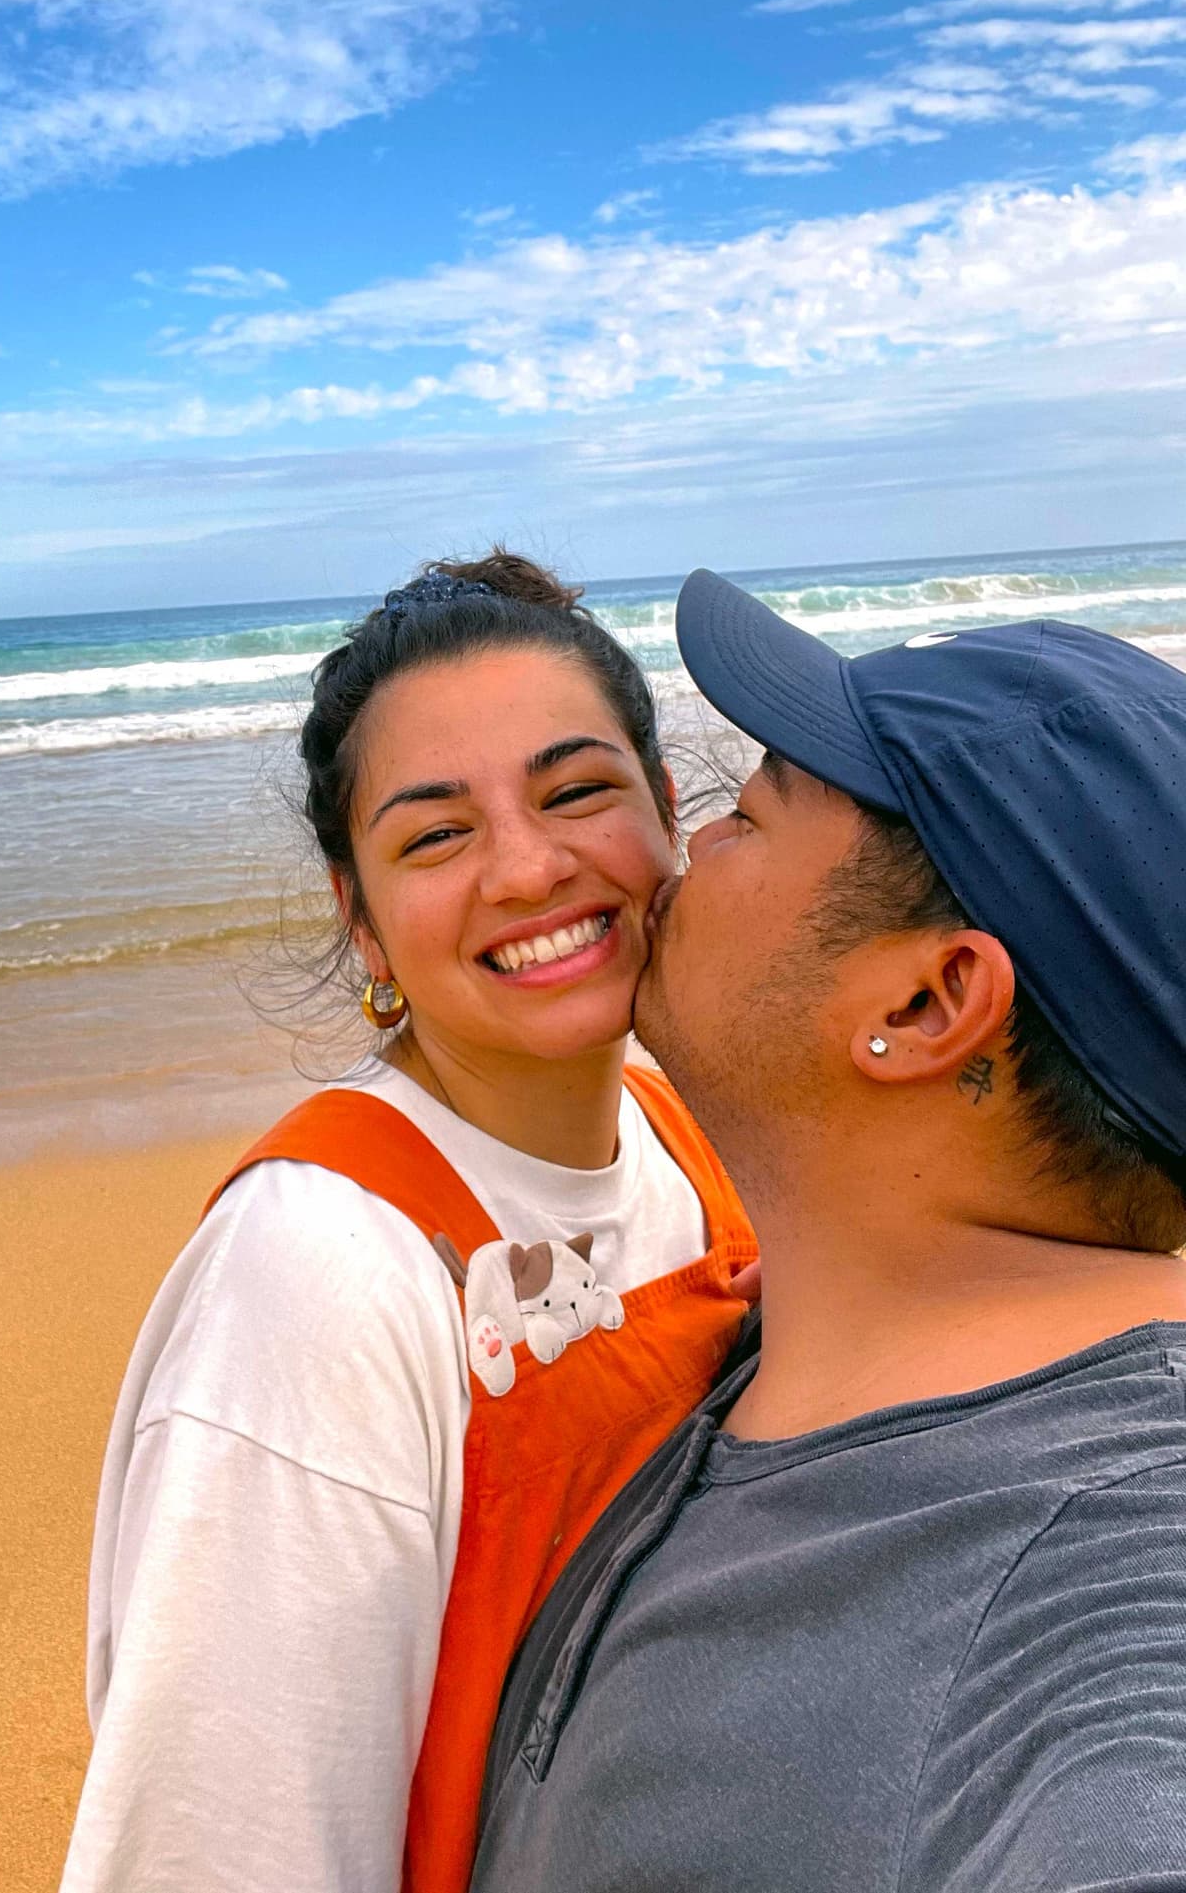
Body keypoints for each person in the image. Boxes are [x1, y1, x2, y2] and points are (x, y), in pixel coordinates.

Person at [468, 574, 1186, 1891]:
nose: (683, 845)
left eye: (749, 812)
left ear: (928, 1001)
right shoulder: (810, 1322)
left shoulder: (1096, 1594)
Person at [63, 553, 756, 1893]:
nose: (529, 865)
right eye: (436, 835)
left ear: (667, 812)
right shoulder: (319, 1273)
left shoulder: (694, 1134)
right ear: (361, 921)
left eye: (577, 791)